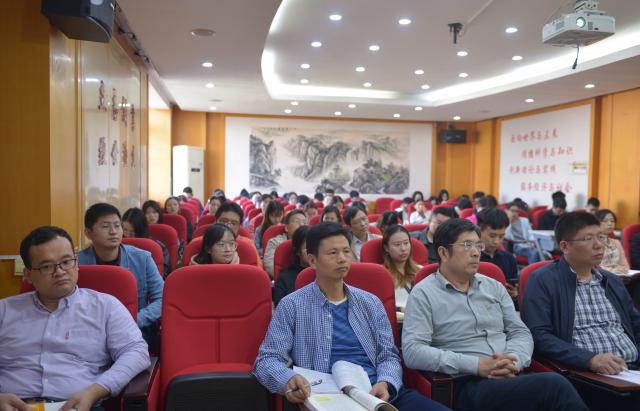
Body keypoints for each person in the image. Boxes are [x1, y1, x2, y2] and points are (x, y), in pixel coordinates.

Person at [253, 223, 449, 411]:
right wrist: (287, 379)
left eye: (346, 251)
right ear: (312, 260)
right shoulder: (292, 305)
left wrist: (386, 382)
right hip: (326, 398)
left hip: (375, 392)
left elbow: (388, 355)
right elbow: (267, 360)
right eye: (333, 253)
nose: (342, 259)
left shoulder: (370, 303)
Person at [402, 218, 588, 411]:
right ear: (443, 252)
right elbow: (413, 351)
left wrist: (512, 360)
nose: (476, 252)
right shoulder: (424, 293)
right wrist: (476, 365)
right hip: (466, 383)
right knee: (554, 386)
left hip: (510, 376)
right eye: (467, 245)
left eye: (478, 245)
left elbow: (520, 332)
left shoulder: (493, 287)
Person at [0, 226, 150, 411]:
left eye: (66, 262)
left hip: (80, 405)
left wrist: (95, 391)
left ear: (76, 263)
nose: (59, 271)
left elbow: (136, 352)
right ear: (28, 275)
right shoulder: (4, 311)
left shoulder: (106, 306)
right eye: (47, 266)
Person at [522, 212, 640, 411]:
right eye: (588, 238)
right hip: (588, 375)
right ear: (564, 246)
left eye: (601, 237)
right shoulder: (543, 280)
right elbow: (539, 335)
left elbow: (636, 324)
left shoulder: (611, 281)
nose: (599, 245)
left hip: (632, 371)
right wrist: (589, 359)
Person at [77, 203, 164, 347]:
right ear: (88, 233)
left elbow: (162, 298)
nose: (113, 231)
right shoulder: (76, 264)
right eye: (105, 226)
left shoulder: (142, 258)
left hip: (134, 332)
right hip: (89, 335)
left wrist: (134, 320)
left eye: (117, 226)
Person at [476, 208, 519, 301]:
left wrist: (516, 293)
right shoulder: (471, 259)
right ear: (478, 231)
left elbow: (514, 286)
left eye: (501, 236)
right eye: (492, 236)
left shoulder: (509, 258)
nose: (497, 241)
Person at [122, 207, 171, 276]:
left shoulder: (156, 247)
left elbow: (163, 275)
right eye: (125, 230)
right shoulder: (118, 245)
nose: (127, 235)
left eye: (132, 231)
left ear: (141, 229)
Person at [382, 225, 421, 311]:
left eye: (406, 243)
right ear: (386, 248)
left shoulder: (421, 271)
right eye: (397, 244)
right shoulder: (383, 275)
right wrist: (400, 309)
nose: (403, 248)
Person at [215, 202, 262, 267]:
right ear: (216, 221)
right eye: (224, 221)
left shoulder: (248, 245)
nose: (228, 226)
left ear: (239, 226)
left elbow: (258, 271)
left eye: (233, 223)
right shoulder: (203, 241)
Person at [264, 209, 308, 278]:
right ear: (286, 228)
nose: (302, 225)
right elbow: (271, 268)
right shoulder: (275, 243)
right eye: (297, 222)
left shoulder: (311, 241)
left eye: (304, 222)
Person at [273, 226, 309, 306]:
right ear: (298, 251)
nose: (313, 252)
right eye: (308, 247)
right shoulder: (284, 278)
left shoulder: (325, 274)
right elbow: (281, 309)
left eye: (316, 247)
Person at [595, 209, 630, 274]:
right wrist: (612, 270)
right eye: (604, 221)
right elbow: (593, 266)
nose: (610, 224)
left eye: (612, 221)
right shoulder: (592, 243)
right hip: (600, 276)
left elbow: (625, 266)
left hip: (619, 275)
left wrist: (621, 270)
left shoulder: (616, 243)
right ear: (595, 223)